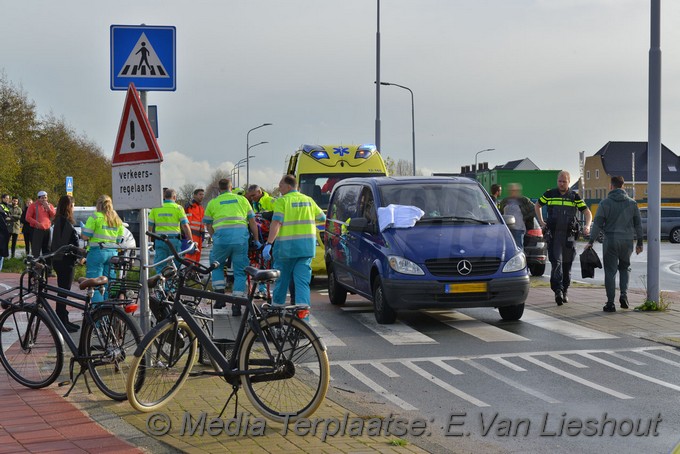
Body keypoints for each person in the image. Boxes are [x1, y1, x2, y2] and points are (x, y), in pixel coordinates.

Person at [263, 175, 326, 315]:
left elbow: (276, 223)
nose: (279, 188)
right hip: (306, 249)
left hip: (286, 249)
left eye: (281, 185)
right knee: (302, 284)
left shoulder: (282, 201)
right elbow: (322, 217)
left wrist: (269, 243)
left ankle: (277, 315)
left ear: (289, 186)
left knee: (281, 283)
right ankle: (303, 319)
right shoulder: (308, 200)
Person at [585, 176, 644, 312]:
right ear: (623, 186)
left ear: (611, 186)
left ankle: (610, 303)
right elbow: (638, 225)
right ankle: (624, 295)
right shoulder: (632, 203)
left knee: (610, 272)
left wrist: (590, 242)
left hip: (610, 241)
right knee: (625, 268)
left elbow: (598, 224)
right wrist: (640, 242)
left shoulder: (605, 203)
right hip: (627, 242)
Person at [204, 179, 260, 316]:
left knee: (216, 265)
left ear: (219, 189)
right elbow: (253, 222)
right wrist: (257, 239)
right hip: (240, 240)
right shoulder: (242, 200)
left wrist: (214, 237)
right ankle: (237, 305)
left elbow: (208, 225)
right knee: (240, 272)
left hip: (221, 239)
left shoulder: (213, 202)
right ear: (231, 187)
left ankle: (220, 298)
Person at [535, 171, 592, 306]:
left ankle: (565, 290)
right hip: (554, 236)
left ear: (569, 182)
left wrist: (588, 226)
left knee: (567, 265)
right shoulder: (549, 194)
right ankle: (558, 291)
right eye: (560, 181)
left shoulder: (574, 196)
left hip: (569, 237)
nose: (561, 183)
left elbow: (587, 212)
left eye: (564, 181)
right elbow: (537, 205)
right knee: (556, 263)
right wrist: (542, 222)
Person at [81, 195, 124, 303]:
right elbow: (120, 240)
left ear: (98, 205)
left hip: (97, 253)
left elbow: (86, 236)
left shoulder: (95, 217)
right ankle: (107, 312)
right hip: (113, 254)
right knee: (109, 284)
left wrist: (83, 231)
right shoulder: (116, 218)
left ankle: (97, 316)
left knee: (95, 285)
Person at [50, 195, 80, 332]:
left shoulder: (59, 221)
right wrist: (80, 255)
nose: (73, 209)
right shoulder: (64, 223)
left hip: (60, 260)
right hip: (65, 261)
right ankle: (62, 321)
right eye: (73, 206)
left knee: (63, 292)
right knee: (63, 292)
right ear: (69, 207)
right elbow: (69, 244)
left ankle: (63, 319)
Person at [149, 188, 192, 273]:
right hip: (174, 241)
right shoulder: (178, 208)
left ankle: (161, 284)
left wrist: (149, 242)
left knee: (160, 265)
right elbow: (185, 225)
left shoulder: (156, 208)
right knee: (175, 265)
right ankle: (172, 285)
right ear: (174, 197)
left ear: (164, 196)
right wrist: (190, 240)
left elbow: (149, 226)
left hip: (160, 240)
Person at [499, 183, 535, 249]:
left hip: (518, 229)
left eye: (514, 190)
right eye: (511, 190)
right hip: (506, 229)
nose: (512, 192)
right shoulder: (505, 201)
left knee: (518, 248)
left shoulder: (524, 200)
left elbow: (534, 210)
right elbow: (500, 213)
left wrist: (525, 218)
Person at [25, 191, 56, 257]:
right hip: (37, 230)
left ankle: (47, 265)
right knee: (36, 250)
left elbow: (54, 216)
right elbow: (27, 217)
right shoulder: (33, 206)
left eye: (45, 198)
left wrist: (48, 208)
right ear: (38, 198)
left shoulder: (50, 205)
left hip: (47, 230)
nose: (44, 199)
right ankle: (36, 265)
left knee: (47, 249)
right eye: (42, 198)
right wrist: (37, 223)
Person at [184, 188, 205, 263]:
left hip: (199, 235)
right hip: (192, 234)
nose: (202, 196)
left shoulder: (201, 208)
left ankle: (195, 272)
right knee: (191, 254)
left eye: (202, 194)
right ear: (194, 195)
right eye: (200, 194)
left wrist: (203, 234)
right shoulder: (190, 206)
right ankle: (189, 272)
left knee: (197, 254)